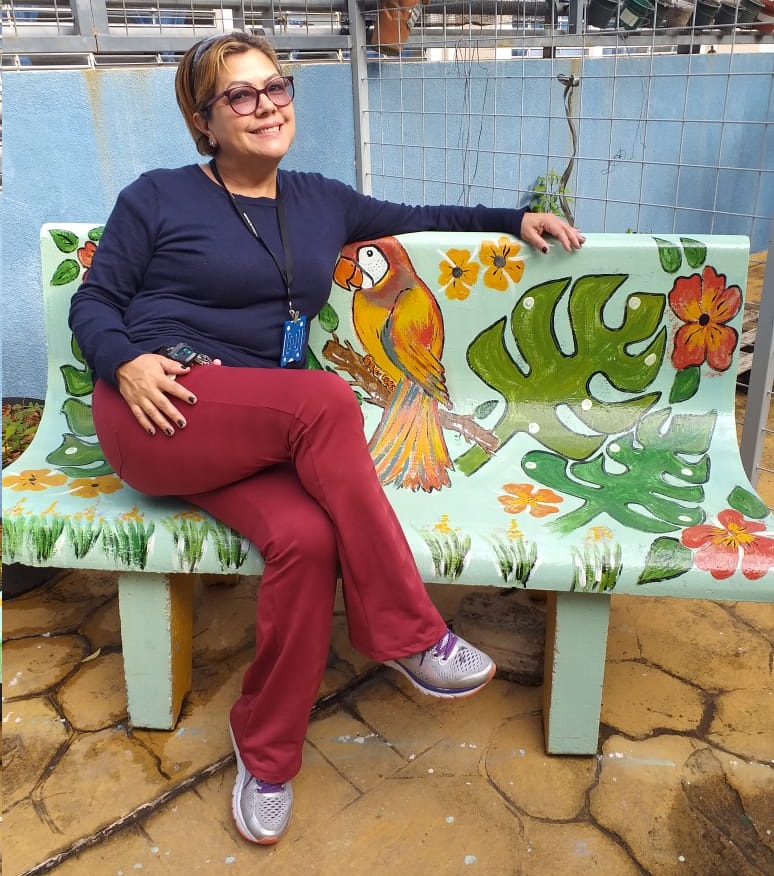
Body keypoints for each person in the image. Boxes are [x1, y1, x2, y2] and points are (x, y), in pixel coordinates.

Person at [68, 30, 585, 846]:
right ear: (203, 120)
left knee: (307, 540)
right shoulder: (157, 197)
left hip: (249, 427)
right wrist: (125, 363)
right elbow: (93, 302)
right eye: (241, 95)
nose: (267, 106)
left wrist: (516, 218)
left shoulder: (320, 200)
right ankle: (409, 632)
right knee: (323, 400)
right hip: (156, 411)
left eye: (276, 87)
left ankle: (266, 752)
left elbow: (424, 219)